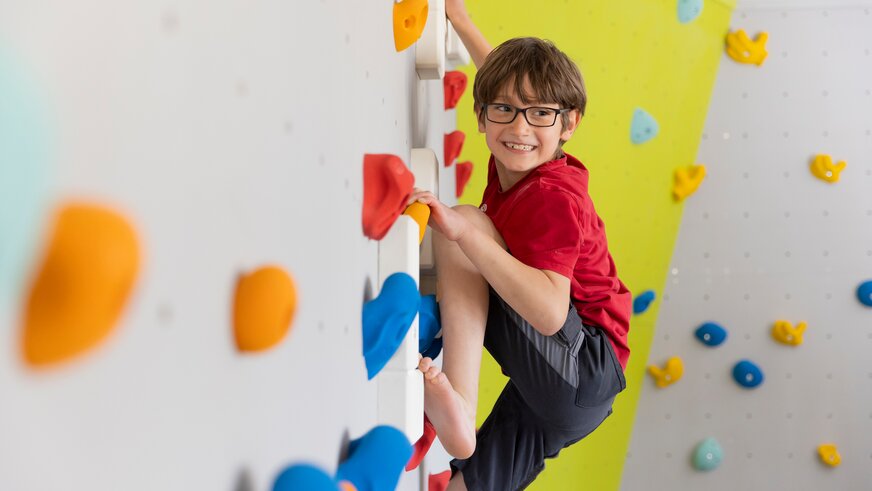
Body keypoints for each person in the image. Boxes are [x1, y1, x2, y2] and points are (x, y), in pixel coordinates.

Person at [409, 1, 631, 489]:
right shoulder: (519, 142)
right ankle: (462, 426)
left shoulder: (553, 195)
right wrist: (461, 20)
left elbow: (550, 312)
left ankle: (462, 405)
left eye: (539, 115)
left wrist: (466, 232)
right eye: (504, 110)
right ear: (483, 115)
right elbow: (505, 84)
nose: (519, 128)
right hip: (564, 400)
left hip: (581, 365)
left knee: (464, 226)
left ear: (568, 125)